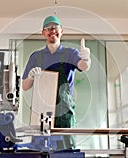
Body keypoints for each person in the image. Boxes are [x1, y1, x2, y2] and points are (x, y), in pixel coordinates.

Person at [22, 15, 91, 149]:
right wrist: (30, 77)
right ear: (43, 33)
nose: (52, 31)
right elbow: (25, 86)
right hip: (41, 112)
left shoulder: (70, 53)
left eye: (55, 28)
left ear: (61, 31)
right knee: (40, 151)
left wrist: (87, 59)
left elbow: (83, 66)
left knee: (66, 152)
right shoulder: (36, 57)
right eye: (48, 28)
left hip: (64, 113)